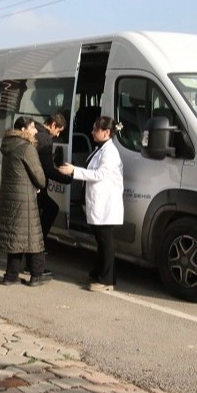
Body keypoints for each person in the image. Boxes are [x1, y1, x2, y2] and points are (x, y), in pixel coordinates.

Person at [58, 116, 124, 292]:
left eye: (95, 129)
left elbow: (99, 175)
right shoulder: (100, 149)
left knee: (106, 243)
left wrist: (74, 171)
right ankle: (99, 273)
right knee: (100, 242)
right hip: (99, 203)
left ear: (106, 132)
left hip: (106, 205)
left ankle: (107, 280)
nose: (92, 132)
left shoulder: (110, 152)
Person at [0, 116, 50, 287]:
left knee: (15, 236)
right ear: (24, 130)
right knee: (34, 236)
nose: (35, 131)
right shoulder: (27, 148)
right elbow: (39, 177)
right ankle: (37, 274)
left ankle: (11, 275)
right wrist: (39, 184)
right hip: (24, 197)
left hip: (9, 196)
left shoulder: (8, 145)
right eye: (33, 127)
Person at [27, 113, 73, 275]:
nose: (58, 135)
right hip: (37, 185)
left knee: (41, 216)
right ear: (52, 125)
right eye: (59, 131)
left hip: (30, 184)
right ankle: (35, 258)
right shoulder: (45, 138)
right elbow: (46, 169)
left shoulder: (36, 133)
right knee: (46, 214)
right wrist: (66, 179)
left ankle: (32, 257)